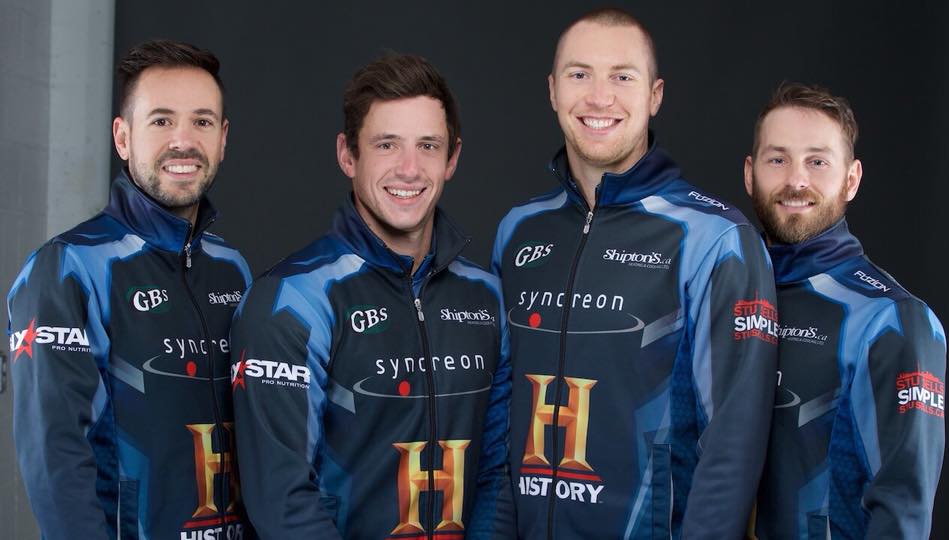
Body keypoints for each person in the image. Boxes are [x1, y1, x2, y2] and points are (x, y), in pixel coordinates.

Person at [491, 8, 779, 539]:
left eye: (622, 77)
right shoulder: (518, 230)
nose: (600, 97)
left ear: (655, 95)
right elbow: (500, 420)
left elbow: (733, 449)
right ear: (553, 90)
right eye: (580, 74)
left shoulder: (715, 239)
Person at [230, 53, 511, 539]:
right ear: (348, 155)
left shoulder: (487, 297)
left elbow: (498, 474)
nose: (409, 169)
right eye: (386, 145)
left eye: (428, 146)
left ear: (452, 159)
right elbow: (283, 502)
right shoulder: (291, 301)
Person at [7, 40, 252, 539]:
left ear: (223, 139)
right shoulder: (68, 268)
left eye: (202, 121)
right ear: (122, 137)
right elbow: (57, 462)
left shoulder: (234, 269)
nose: (183, 141)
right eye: (161, 121)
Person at [744, 82, 946, 539]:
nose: (796, 180)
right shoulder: (724, 294)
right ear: (750, 174)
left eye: (817, 161)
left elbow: (903, 513)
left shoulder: (893, 320)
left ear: (851, 179)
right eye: (778, 160)